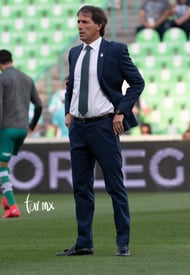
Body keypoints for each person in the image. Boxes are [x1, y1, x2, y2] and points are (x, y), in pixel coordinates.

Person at [57, 5, 144, 257]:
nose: (80, 26)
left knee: (115, 186)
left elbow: (137, 82)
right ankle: (84, 242)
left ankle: (123, 243)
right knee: (80, 187)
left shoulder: (115, 50)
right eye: (78, 22)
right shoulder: (74, 53)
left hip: (104, 126)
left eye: (84, 22)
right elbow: (71, 86)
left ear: (99, 25)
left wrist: (121, 111)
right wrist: (68, 110)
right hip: (79, 129)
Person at [0, 49, 43, 218]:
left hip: (8, 127)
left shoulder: (0, 79)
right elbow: (39, 105)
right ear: (11, 59)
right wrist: (31, 125)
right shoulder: (27, 78)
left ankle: (13, 206)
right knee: (4, 163)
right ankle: (7, 200)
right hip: (22, 128)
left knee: (0, 164)